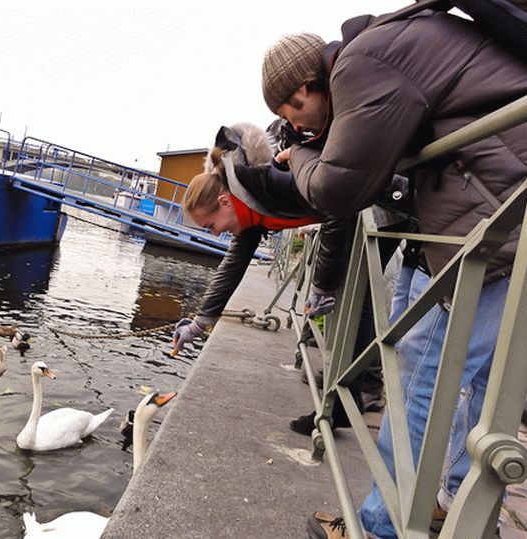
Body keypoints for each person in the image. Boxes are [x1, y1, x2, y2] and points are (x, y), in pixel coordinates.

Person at [259, 6, 527, 539]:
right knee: (467, 377)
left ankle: (380, 527)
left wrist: (304, 156)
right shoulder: (387, 49)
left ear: (307, 86)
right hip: (503, 210)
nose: (298, 125)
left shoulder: (360, 64)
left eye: (294, 112)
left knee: (426, 374)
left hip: (505, 218)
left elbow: (339, 188)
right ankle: (452, 502)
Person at [173, 123, 407, 434]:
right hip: (360, 207)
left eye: (211, 225)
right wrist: (200, 322)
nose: (215, 233)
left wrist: (322, 284)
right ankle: (348, 395)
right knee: (351, 292)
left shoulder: (267, 182)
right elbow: (234, 264)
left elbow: (336, 201)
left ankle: (356, 393)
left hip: (385, 201)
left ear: (225, 202)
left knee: (355, 292)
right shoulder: (248, 205)